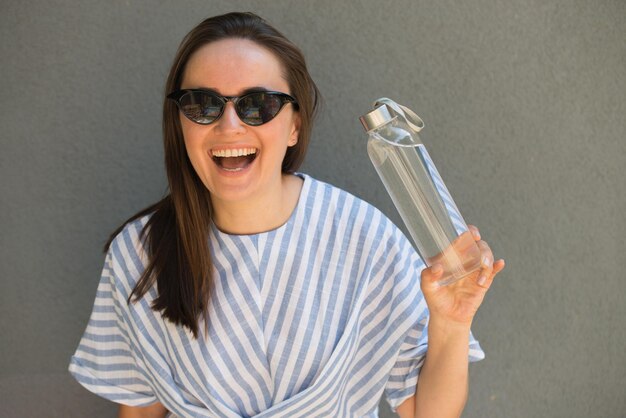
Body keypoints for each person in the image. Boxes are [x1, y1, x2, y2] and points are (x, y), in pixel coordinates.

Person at [69, 12, 505, 418]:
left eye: (257, 104)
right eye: (203, 104)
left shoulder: (365, 239)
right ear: (179, 121)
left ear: (295, 124)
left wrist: (450, 323)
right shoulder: (138, 256)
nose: (230, 126)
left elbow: (423, 413)